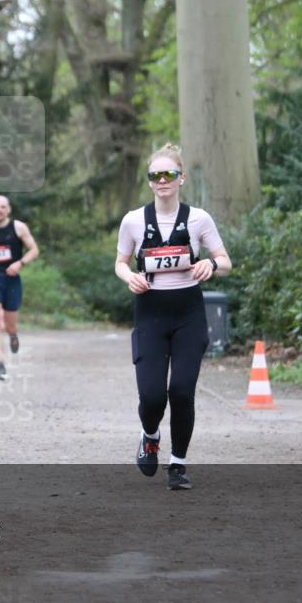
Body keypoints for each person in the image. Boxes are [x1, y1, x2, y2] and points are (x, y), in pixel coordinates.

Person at [114, 143, 232, 490]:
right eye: (156, 175)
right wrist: (128, 276)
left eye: (170, 174)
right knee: (152, 396)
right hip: (150, 313)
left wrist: (210, 264)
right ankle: (150, 436)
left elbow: (225, 260)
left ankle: (177, 464)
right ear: (149, 181)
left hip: (188, 314)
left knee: (181, 391)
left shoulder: (199, 219)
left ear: (182, 178)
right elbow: (120, 262)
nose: (163, 180)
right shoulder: (134, 220)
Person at [0, 195, 40, 380]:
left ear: (8, 209)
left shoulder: (18, 228)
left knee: (10, 324)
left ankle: (13, 334)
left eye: (3, 207)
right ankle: (1, 365)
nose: (0, 210)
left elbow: (34, 249)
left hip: (12, 279)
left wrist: (20, 263)